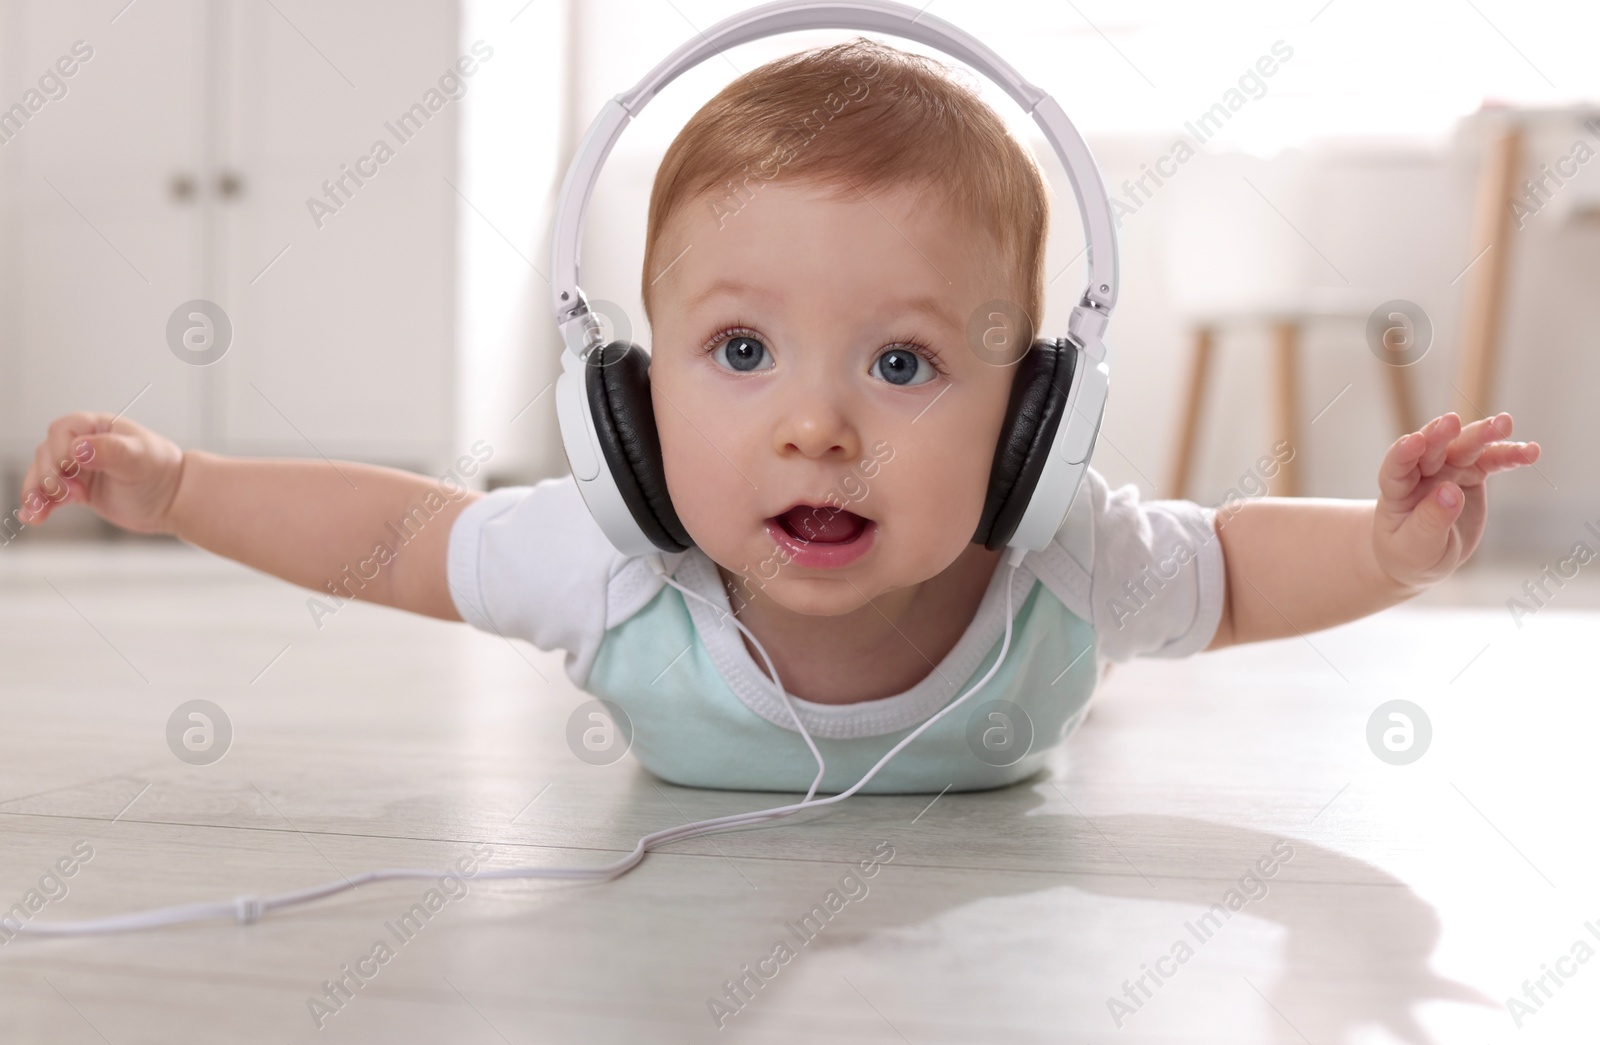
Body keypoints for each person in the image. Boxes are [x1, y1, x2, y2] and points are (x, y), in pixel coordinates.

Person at [16, 40, 1540, 795]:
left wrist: (1390, 550)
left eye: (900, 366)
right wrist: (181, 486)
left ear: (1033, 417)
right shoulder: (615, 557)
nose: (814, 426)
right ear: (625, 397)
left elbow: (1241, 572)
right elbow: (399, 536)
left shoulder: (1061, 548)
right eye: (739, 348)